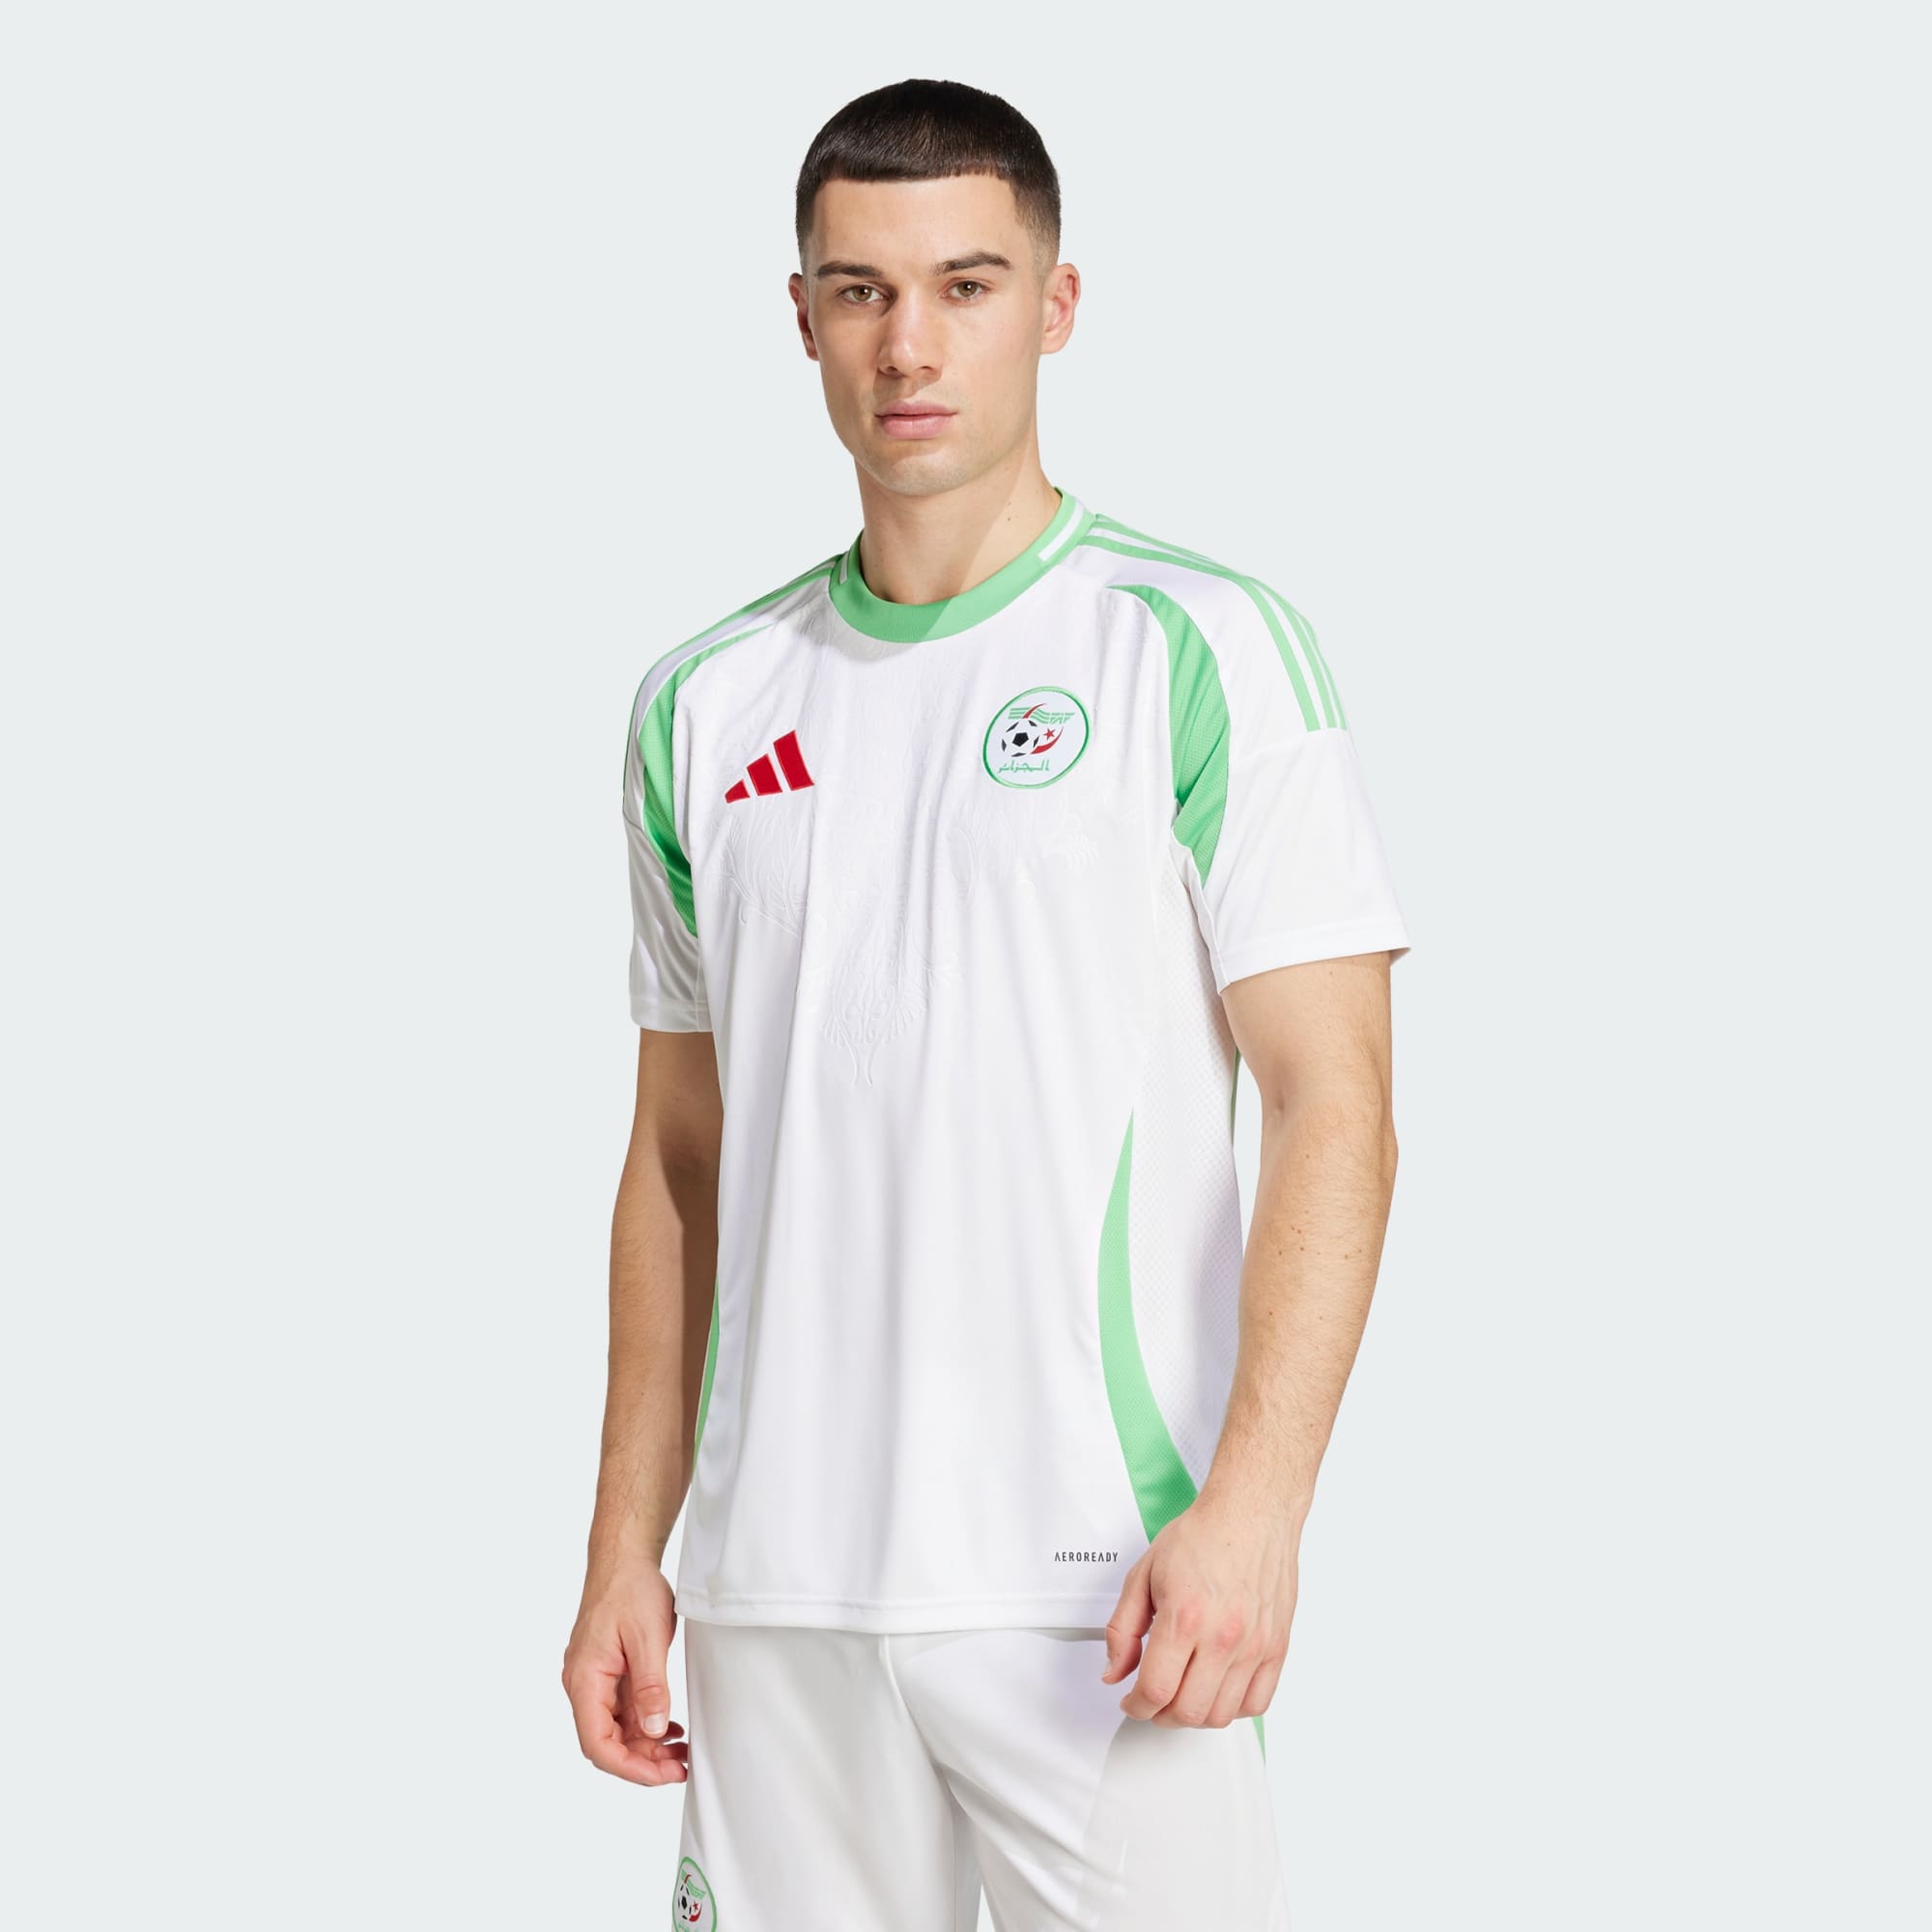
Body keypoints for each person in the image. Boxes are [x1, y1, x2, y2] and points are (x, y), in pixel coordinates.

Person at [563, 75, 1412, 1931]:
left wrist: (1258, 1512)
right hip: (777, 1592)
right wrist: (629, 1545)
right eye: (860, 291)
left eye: (966, 284)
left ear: (1057, 302)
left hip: (1101, 1592)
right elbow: (679, 1163)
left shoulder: (1197, 645)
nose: (910, 345)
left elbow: (1336, 1104)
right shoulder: (702, 701)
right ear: (801, 317)